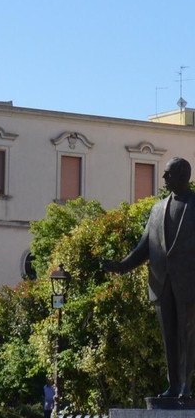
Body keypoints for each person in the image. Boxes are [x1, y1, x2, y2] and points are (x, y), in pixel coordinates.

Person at [102, 156, 195, 398]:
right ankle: (173, 386)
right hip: (161, 283)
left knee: (188, 338)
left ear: (184, 176)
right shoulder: (157, 210)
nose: (163, 178)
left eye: (168, 174)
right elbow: (144, 247)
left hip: (189, 284)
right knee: (169, 339)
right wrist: (121, 265)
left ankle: (186, 388)